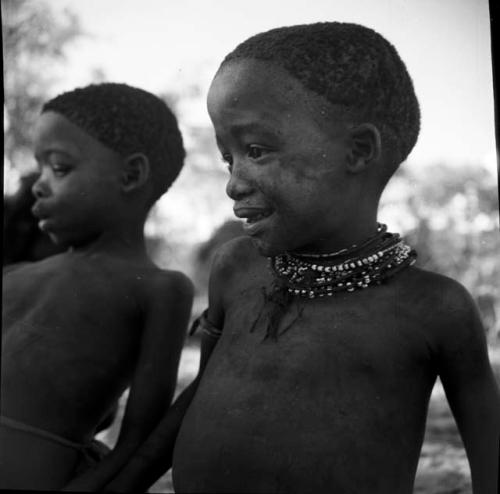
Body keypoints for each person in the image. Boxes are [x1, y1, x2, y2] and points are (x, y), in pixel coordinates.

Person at [106, 23, 500, 493]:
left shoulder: (434, 310)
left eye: (255, 150)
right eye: (228, 159)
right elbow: (197, 396)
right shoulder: (235, 269)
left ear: (358, 151)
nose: (233, 182)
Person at [0, 83, 194, 491]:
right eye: (40, 167)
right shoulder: (13, 275)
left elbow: (141, 440)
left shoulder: (160, 288)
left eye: (60, 168)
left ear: (131, 175)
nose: (37, 184)